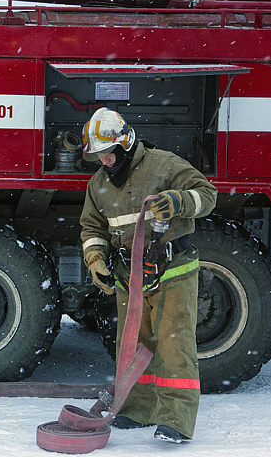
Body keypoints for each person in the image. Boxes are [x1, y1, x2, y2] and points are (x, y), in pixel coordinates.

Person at [78, 108, 217, 443]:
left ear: (125, 144)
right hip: (130, 276)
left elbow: (208, 196)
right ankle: (139, 409)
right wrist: (96, 259)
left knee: (174, 345)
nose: (105, 162)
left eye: (108, 154)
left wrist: (180, 200)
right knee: (133, 346)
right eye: (98, 157)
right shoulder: (98, 185)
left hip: (173, 270)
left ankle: (177, 419)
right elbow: (92, 228)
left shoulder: (164, 164)